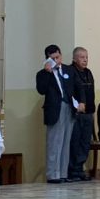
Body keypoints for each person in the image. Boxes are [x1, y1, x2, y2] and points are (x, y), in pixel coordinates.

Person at [35, 44, 75, 184]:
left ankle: (63, 173)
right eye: (53, 58)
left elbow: (74, 86)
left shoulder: (69, 69)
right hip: (54, 110)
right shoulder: (42, 74)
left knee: (65, 142)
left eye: (58, 57)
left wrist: (79, 102)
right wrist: (48, 72)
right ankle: (53, 174)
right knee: (54, 142)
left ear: (61, 55)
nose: (56, 60)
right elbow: (42, 90)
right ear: (48, 59)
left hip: (69, 107)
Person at [66, 47, 95, 182]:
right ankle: (72, 171)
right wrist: (77, 106)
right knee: (74, 142)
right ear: (74, 58)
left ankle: (79, 169)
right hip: (76, 113)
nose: (85, 60)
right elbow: (70, 92)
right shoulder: (70, 71)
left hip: (88, 112)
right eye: (82, 57)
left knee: (85, 142)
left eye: (86, 57)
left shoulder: (88, 72)